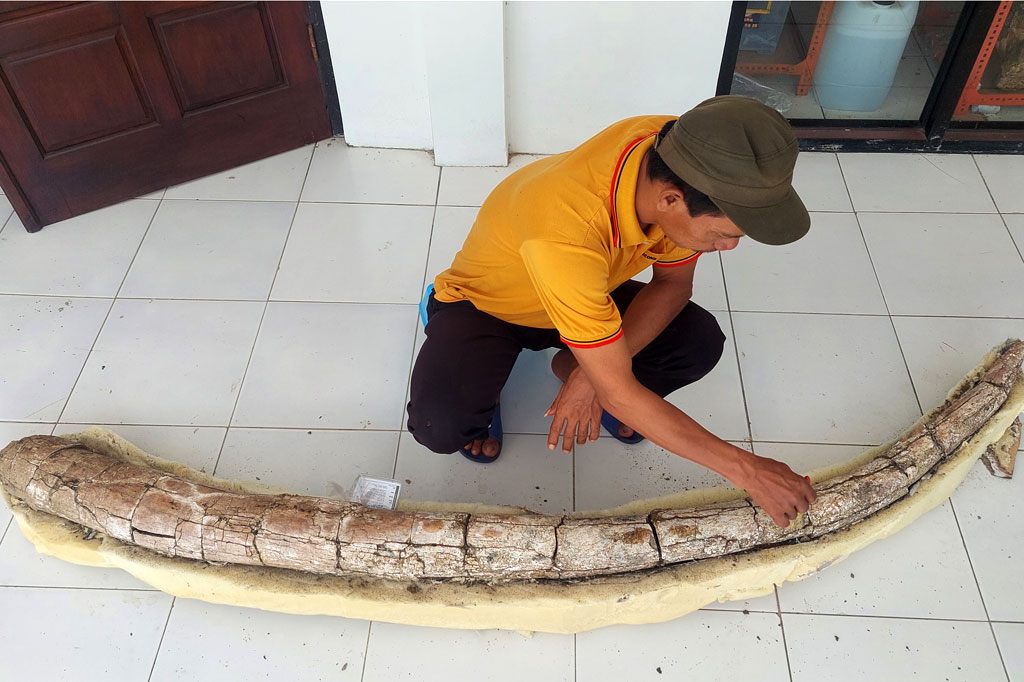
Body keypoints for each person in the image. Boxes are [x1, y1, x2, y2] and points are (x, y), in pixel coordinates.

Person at [406, 95, 816, 527]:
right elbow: (620, 388)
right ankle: (454, 329)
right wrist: (749, 472)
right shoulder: (565, 233)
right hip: (493, 304)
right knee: (441, 426)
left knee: (697, 341)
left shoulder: (682, 151)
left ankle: (580, 362)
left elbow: (673, 284)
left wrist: (590, 375)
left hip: (591, 289)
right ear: (671, 201)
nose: (728, 247)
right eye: (723, 234)